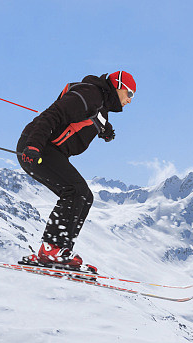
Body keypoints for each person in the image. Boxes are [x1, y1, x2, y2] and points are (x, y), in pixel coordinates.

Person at [16, 71, 136, 269]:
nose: (130, 100)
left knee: (85, 196)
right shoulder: (89, 94)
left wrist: (105, 130)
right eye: (129, 93)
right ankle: (51, 251)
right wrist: (34, 146)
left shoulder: (100, 105)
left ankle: (60, 250)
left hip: (50, 150)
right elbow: (52, 115)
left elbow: (92, 117)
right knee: (75, 191)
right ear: (117, 85)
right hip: (38, 147)